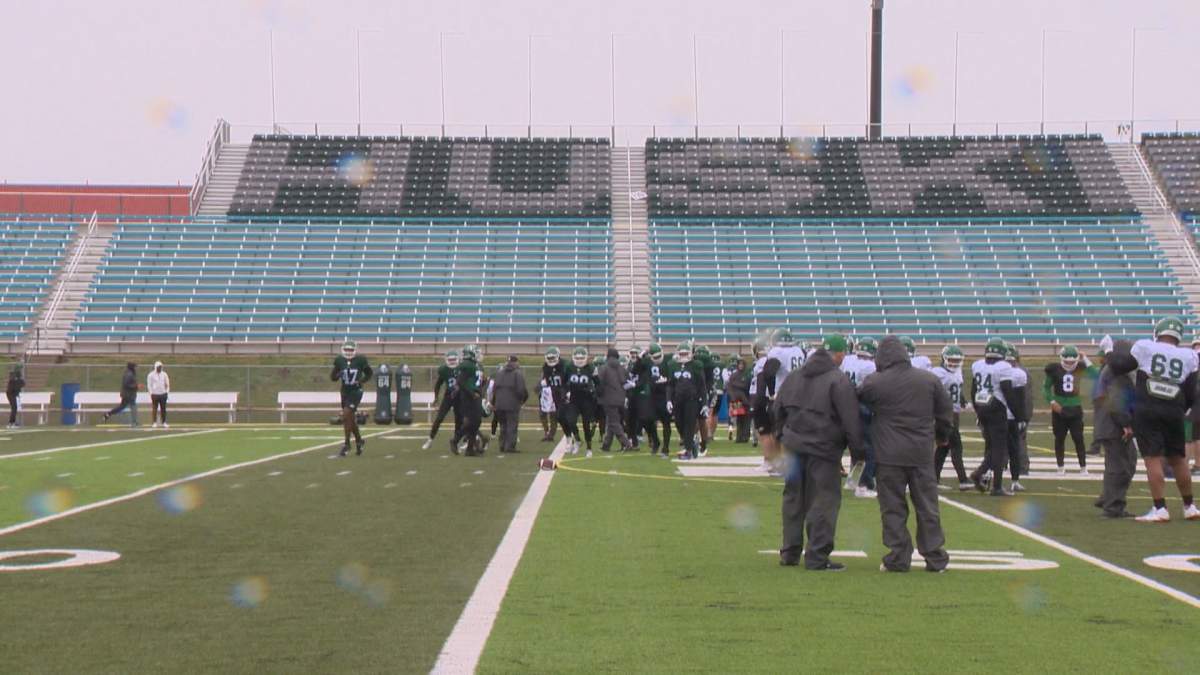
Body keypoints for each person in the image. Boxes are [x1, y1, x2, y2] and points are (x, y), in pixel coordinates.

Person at [859, 335, 953, 573]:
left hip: (888, 454)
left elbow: (858, 401)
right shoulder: (929, 380)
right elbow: (944, 413)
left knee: (893, 508)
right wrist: (942, 437)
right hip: (921, 453)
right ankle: (935, 557)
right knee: (927, 507)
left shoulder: (874, 382)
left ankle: (899, 557)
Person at [773, 333, 865, 571]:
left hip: (793, 445)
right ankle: (816, 556)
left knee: (793, 497)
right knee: (824, 500)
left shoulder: (793, 377)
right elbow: (850, 419)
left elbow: (777, 408)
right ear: (840, 354)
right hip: (823, 449)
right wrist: (857, 452)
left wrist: (782, 436)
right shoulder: (838, 380)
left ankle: (790, 552)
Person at [1105, 316, 1200, 522]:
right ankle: (1189, 506)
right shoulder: (1189, 355)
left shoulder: (1145, 346)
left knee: (1153, 458)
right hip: (1174, 410)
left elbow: (1119, 366)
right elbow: (1192, 393)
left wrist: (1108, 351)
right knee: (1179, 459)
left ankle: (1160, 508)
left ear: (1158, 332)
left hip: (1147, 409)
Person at [969, 337, 1023, 496]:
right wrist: (1018, 415)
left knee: (992, 447)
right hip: (996, 407)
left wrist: (977, 409)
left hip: (982, 405)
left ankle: (980, 472)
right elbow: (1007, 391)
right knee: (999, 448)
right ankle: (996, 486)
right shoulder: (1003, 367)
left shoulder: (977, 365)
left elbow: (973, 390)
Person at [1093, 339, 1137, 518]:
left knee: (1123, 463)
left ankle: (1108, 498)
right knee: (1120, 466)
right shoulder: (1117, 374)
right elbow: (1117, 402)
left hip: (1108, 424)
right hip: (1114, 425)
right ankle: (1113, 505)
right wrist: (1125, 423)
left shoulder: (1110, 371)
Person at [1045, 345, 1098, 476]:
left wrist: (1085, 358)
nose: (1069, 364)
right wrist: (1052, 402)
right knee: (1059, 439)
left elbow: (1096, 375)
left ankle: (1083, 467)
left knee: (1078, 439)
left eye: (1072, 361)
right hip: (1059, 409)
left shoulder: (1080, 367)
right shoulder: (1054, 369)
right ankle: (1060, 466)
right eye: (1067, 361)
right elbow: (1045, 388)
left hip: (1075, 407)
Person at [931, 345, 971, 490]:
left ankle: (934, 479)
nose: (954, 363)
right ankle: (963, 480)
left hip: (954, 413)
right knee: (956, 446)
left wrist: (963, 400)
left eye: (957, 360)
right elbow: (932, 392)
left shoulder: (958, 372)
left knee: (944, 447)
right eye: (951, 360)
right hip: (943, 414)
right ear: (944, 358)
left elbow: (958, 389)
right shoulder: (937, 373)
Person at [842, 336, 878, 497]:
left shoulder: (848, 360)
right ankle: (864, 485)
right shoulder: (871, 366)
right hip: (862, 406)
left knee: (855, 446)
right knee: (870, 448)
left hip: (845, 406)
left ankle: (852, 480)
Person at [331, 340, 371, 457]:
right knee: (349, 418)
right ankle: (359, 440)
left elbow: (369, 373)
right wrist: (338, 374)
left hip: (356, 391)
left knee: (346, 414)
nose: (349, 352)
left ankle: (347, 444)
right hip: (345, 392)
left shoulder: (360, 360)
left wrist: (361, 381)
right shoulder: (339, 360)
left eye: (351, 350)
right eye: (347, 350)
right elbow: (332, 377)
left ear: (355, 351)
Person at [669, 340, 707, 460]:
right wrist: (668, 400)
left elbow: (702, 385)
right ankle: (691, 443)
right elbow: (670, 385)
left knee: (689, 424)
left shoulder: (696, 365)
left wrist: (704, 403)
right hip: (677, 399)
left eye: (686, 353)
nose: (683, 356)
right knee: (679, 423)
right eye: (682, 353)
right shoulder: (673, 365)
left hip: (692, 400)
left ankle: (688, 450)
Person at [561, 347, 598, 456]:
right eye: (577, 358)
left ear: (586, 357)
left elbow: (598, 383)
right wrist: (566, 392)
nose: (579, 360)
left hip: (587, 399)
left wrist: (593, 390)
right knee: (570, 420)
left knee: (586, 425)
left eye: (582, 358)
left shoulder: (591, 367)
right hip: (574, 398)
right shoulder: (569, 367)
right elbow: (563, 383)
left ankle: (589, 448)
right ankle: (577, 440)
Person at [597, 348, 635, 452]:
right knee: (611, 421)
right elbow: (627, 382)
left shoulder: (604, 368)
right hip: (621, 398)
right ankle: (606, 445)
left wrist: (598, 394)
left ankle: (626, 444)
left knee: (613, 423)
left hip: (609, 398)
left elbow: (599, 383)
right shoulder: (622, 368)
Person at [450, 345, 485, 456]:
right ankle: (456, 440)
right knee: (471, 422)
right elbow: (460, 381)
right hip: (468, 397)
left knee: (476, 422)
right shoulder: (467, 365)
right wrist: (472, 393)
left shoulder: (475, 365)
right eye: (476, 352)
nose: (479, 354)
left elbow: (477, 381)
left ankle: (470, 449)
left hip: (475, 396)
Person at [423, 350, 461, 450]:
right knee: (439, 418)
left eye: (453, 359)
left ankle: (456, 442)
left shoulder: (461, 368)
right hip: (448, 396)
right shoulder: (443, 370)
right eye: (450, 360)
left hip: (459, 396)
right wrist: (436, 398)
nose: (452, 362)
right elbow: (438, 385)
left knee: (458, 420)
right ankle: (430, 439)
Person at [1006, 343, 1031, 487]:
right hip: (1002, 414)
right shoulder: (999, 371)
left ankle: (1020, 469)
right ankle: (996, 470)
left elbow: (1025, 397)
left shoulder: (1021, 373)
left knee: (1017, 445)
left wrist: (1023, 416)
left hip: (1013, 415)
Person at [491, 355, 528, 453]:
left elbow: (494, 390)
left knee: (503, 425)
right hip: (512, 404)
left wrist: (494, 403)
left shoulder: (499, 374)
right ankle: (510, 446)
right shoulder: (517, 374)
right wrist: (521, 401)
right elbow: (521, 390)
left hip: (499, 404)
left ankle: (502, 445)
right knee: (512, 425)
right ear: (515, 362)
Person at [101, 362, 140, 427]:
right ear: (132, 367)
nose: (136, 368)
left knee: (121, 407)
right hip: (128, 394)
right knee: (133, 407)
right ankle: (134, 422)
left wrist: (135, 386)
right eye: (135, 367)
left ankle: (107, 414)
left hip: (128, 394)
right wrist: (136, 386)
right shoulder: (129, 374)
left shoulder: (129, 373)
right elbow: (126, 384)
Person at [725, 356, 752, 443]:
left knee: (746, 418)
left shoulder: (747, 375)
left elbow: (749, 387)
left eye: (742, 364)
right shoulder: (734, 375)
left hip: (746, 399)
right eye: (739, 364)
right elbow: (729, 386)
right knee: (739, 419)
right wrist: (732, 397)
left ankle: (745, 436)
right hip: (736, 400)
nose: (741, 366)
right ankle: (739, 437)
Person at [147, 361, 170, 428]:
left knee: (163, 409)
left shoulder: (164, 374)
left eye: (161, 367)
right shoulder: (151, 375)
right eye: (158, 367)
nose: (160, 368)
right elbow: (149, 385)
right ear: (155, 367)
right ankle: (154, 422)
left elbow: (167, 384)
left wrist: (167, 392)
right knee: (154, 408)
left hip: (163, 394)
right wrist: (151, 393)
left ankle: (164, 422)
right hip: (155, 394)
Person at [538, 377, 556, 442]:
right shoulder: (542, 379)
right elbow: (537, 388)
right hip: (544, 399)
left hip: (553, 399)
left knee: (553, 417)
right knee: (543, 415)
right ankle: (547, 432)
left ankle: (551, 434)